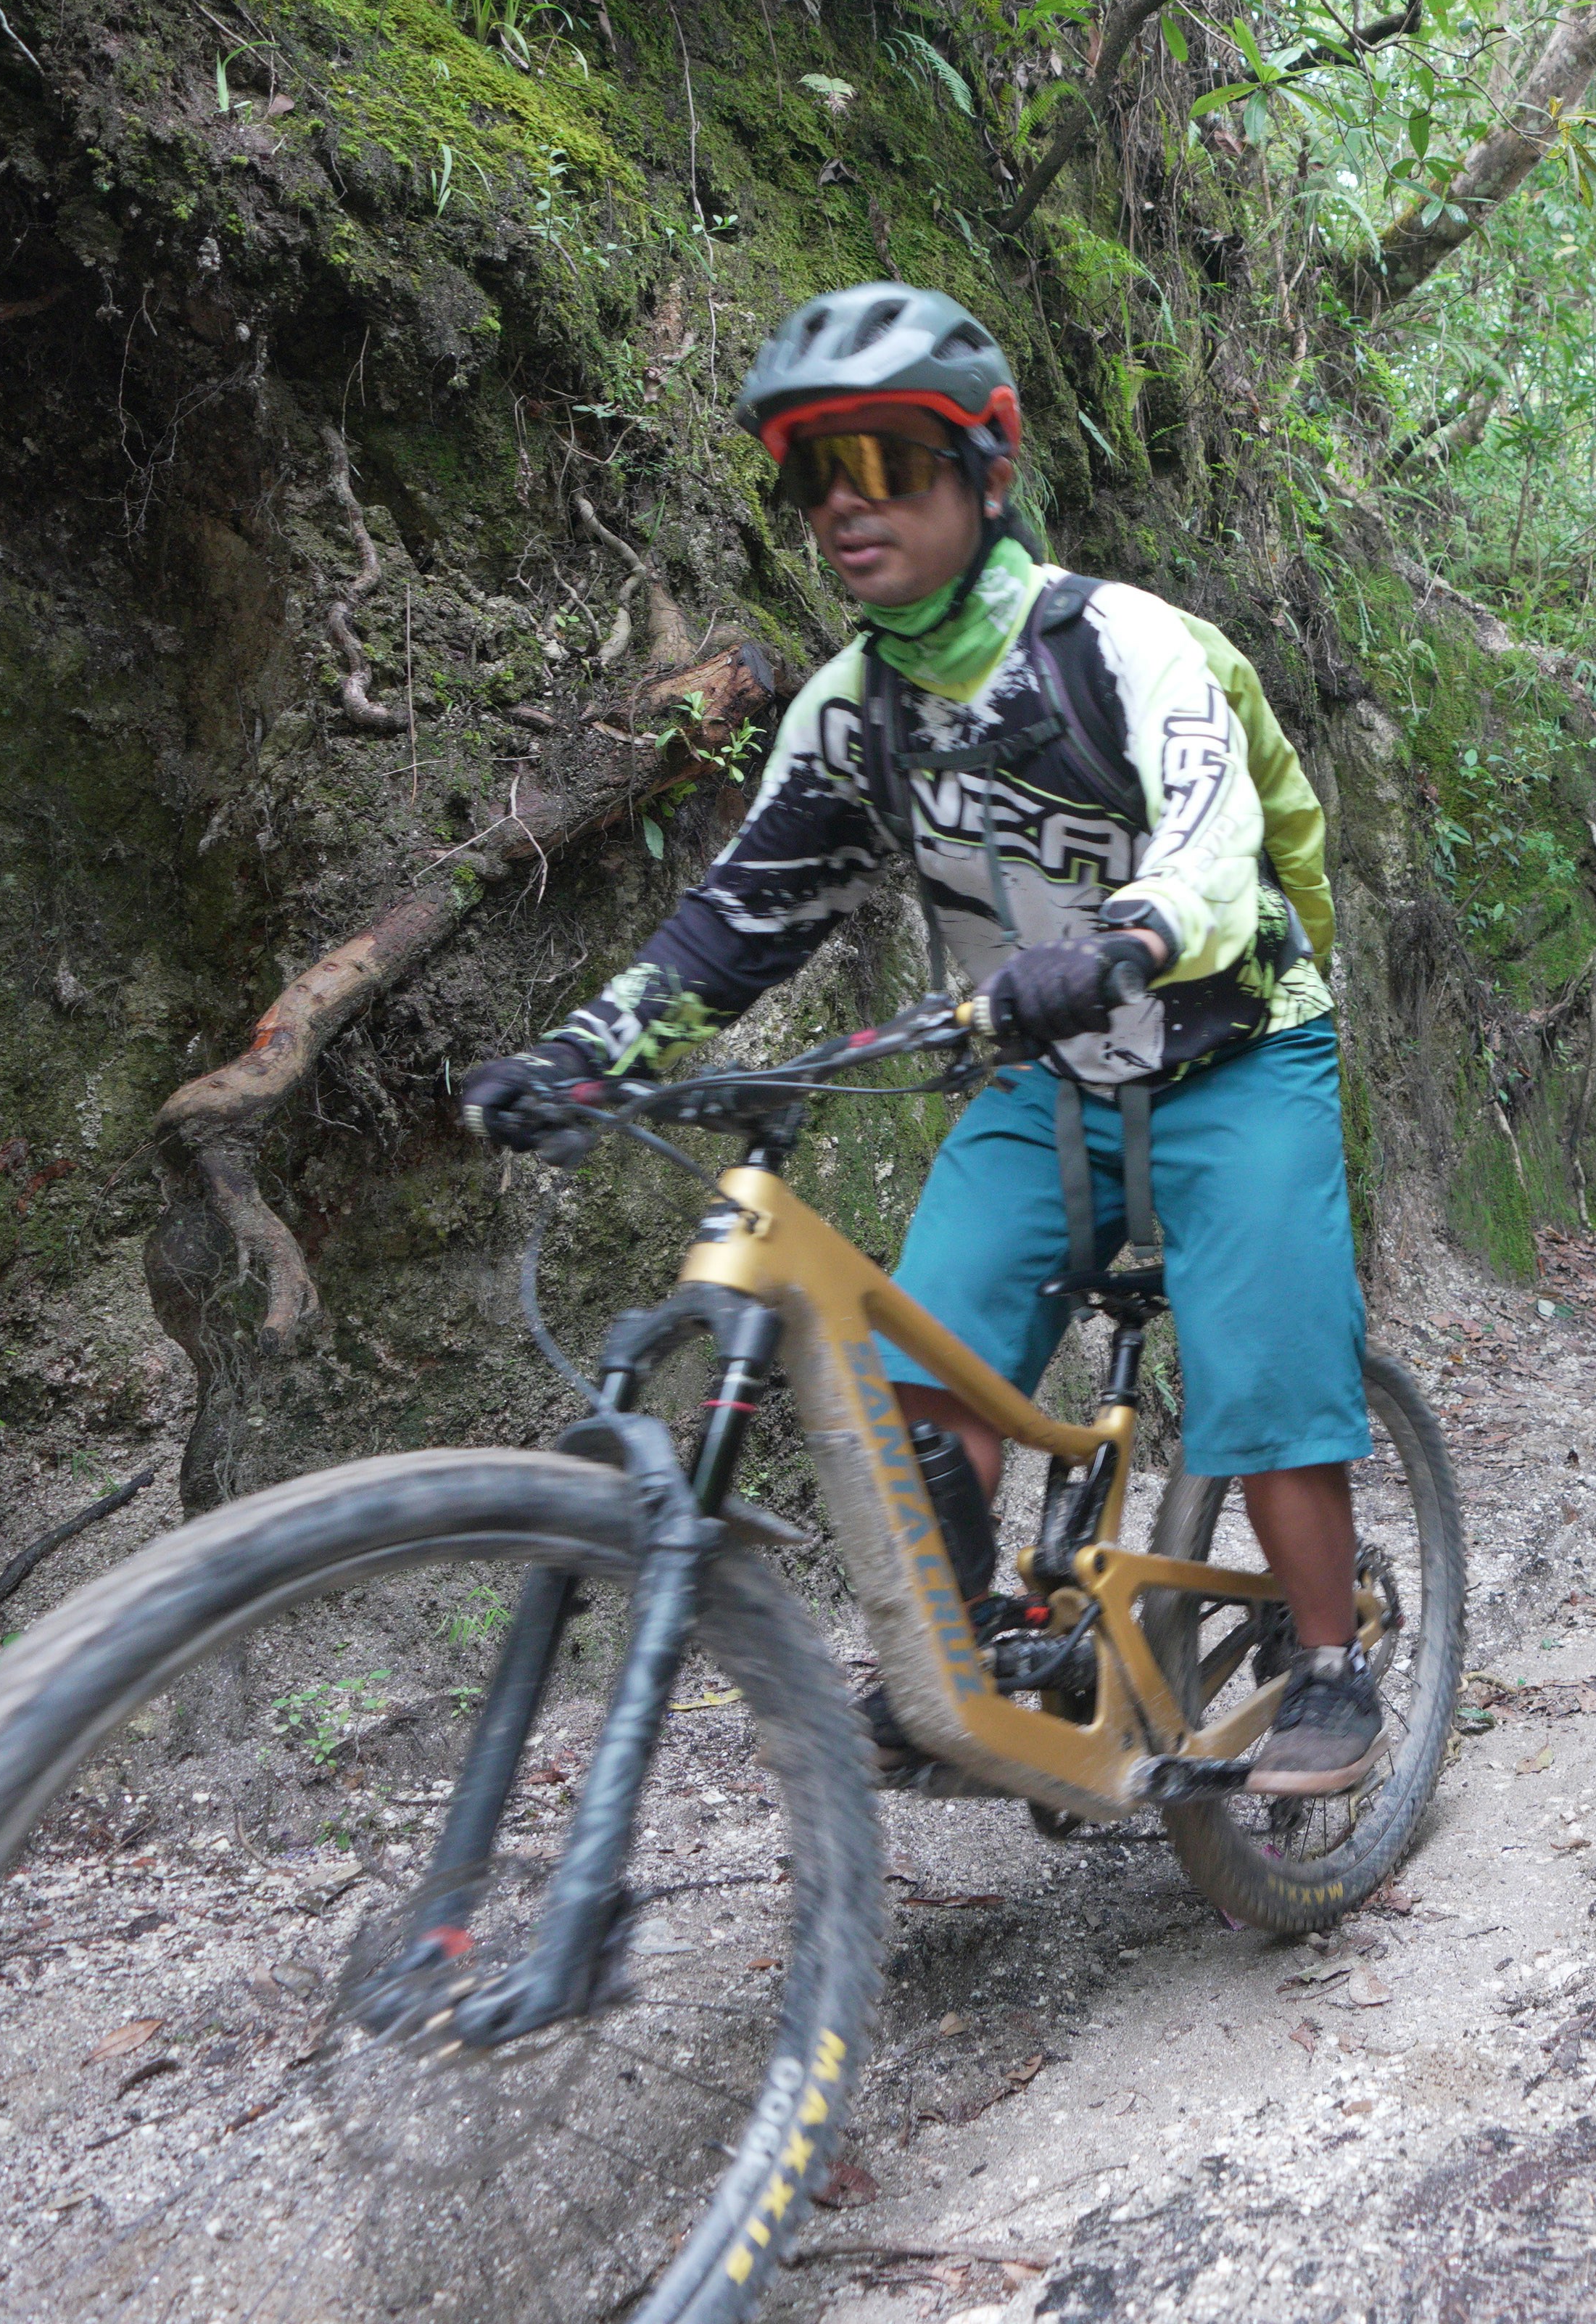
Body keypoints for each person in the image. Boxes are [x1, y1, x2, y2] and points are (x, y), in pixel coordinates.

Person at [460, 282, 1382, 1797]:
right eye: (813, 474)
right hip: (1044, 1083)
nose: (842, 504)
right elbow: (738, 918)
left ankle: (1332, 1662)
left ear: (988, 469)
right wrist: (593, 1049)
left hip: (1235, 1046)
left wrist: (1125, 939)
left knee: (1264, 1384)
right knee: (916, 1370)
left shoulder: (1125, 643)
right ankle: (981, 1667)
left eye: (884, 459)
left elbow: (1219, 850)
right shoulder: (854, 712)